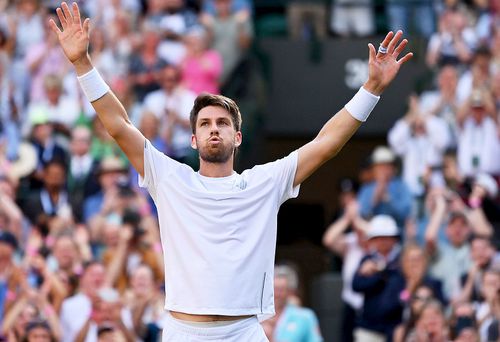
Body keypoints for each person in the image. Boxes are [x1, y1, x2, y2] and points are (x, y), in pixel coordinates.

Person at [50, 2, 412, 340]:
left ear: (237, 137)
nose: (213, 129)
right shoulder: (169, 178)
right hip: (182, 330)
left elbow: (326, 143)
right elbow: (119, 126)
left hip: (244, 331)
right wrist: (82, 64)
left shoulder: (265, 182)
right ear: (193, 139)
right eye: (205, 123)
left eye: (222, 123)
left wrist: (372, 89)